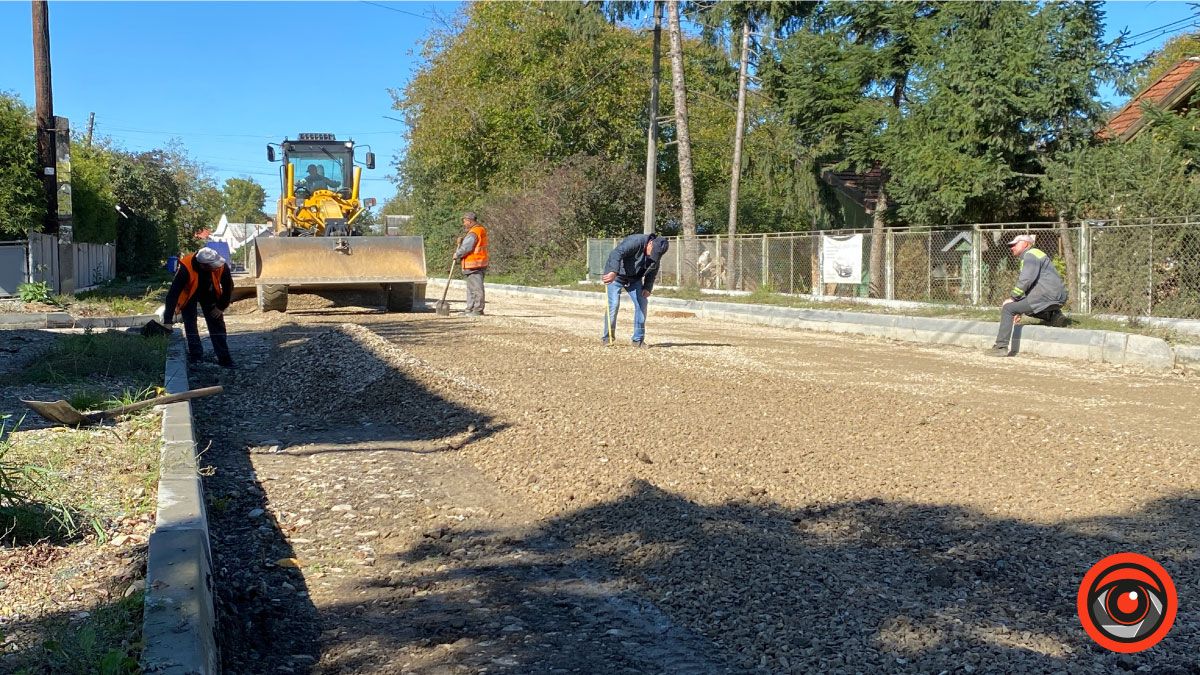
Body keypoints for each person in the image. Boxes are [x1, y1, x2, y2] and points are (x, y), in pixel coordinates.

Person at [986, 234, 1068, 357]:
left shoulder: (1030, 255)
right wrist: (1019, 307)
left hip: (1045, 295)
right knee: (1023, 308)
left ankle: (1001, 347)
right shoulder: (1036, 254)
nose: (1011, 247)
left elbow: (1026, 280)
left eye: (1014, 244)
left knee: (1008, 309)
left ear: (1025, 244)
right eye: (1010, 245)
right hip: (1057, 297)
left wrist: (1013, 299)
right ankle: (1054, 316)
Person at [163, 246, 235, 367]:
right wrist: (168, 320)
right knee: (190, 323)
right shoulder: (185, 268)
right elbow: (172, 294)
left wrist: (220, 306)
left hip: (209, 293)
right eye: (213, 266)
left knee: (216, 322)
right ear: (203, 265)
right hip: (189, 295)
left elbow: (228, 287)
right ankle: (196, 357)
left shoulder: (220, 265)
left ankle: (224, 358)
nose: (217, 267)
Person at [602, 232, 670, 347]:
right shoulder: (635, 241)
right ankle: (607, 338)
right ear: (650, 243)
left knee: (642, 303)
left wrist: (648, 287)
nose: (652, 256)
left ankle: (638, 340)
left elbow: (652, 270)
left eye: (656, 255)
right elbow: (616, 253)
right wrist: (613, 271)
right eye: (652, 253)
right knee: (613, 304)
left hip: (634, 279)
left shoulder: (656, 254)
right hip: (616, 275)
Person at [453, 211, 489, 316]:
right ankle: (470, 309)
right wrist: (463, 240)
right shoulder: (477, 230)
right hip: (475, 264)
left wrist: (457, 254)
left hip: (475, 264)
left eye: (464, 221)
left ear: (469, 221)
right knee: (471, 289)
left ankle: (477, 310)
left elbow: (467, 248)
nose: (464, 223)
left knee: (476, 288)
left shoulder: (474, 232)